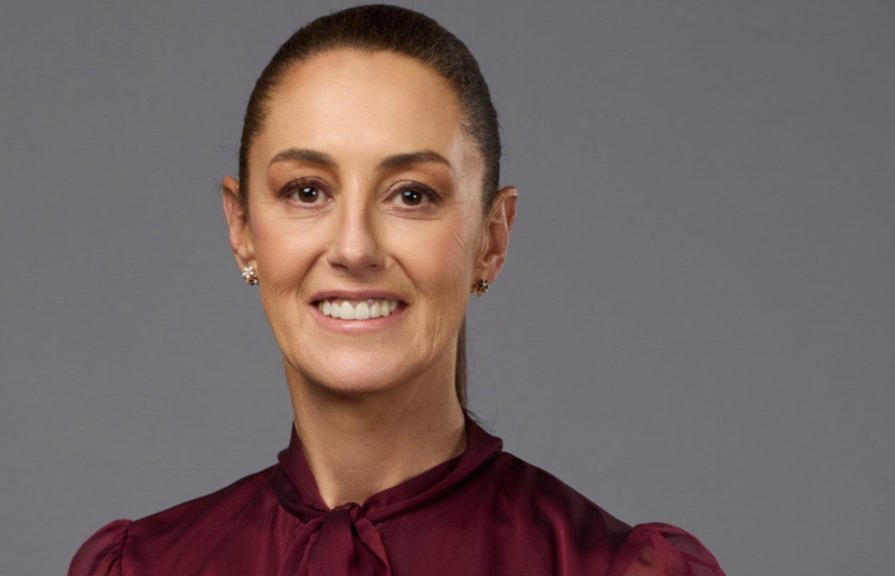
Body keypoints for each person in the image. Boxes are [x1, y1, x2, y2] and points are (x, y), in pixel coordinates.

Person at [68, 5, 725, 575]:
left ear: (492, 240)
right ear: (242, 231)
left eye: (412, 195)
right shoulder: (141, 568)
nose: (354, 248)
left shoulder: (608, 568)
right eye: (307, 191)